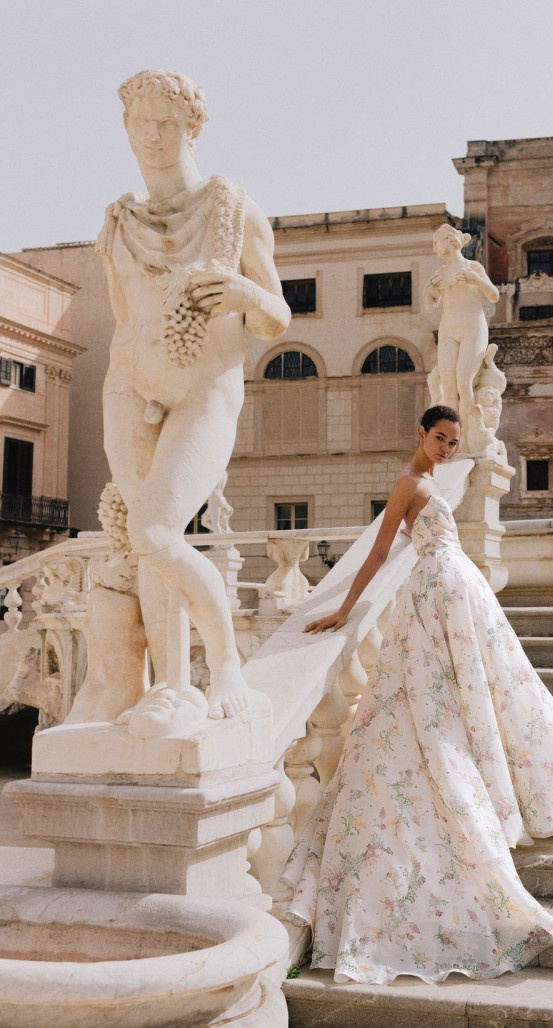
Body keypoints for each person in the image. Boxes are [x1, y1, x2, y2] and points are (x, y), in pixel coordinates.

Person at [282, 405, 553, 984]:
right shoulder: (408, 483)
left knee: (493, 694)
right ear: (420, 434)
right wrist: (345, 608)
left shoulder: (435, 480)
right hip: (436, 595)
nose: (446, 448)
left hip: (457, 592)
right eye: (440, 439)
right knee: (438, 706)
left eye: (453, 441)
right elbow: (381, 549)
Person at [95, 69, 290, 725]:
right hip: (130, 385)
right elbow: (125, 317)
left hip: (205, 388)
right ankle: (170, 687)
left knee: (154, 528)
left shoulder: (233, 208)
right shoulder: (117, 223)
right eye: (142, 122)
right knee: (151, 539)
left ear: (192, 128)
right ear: (125, 127)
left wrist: (241, 294)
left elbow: (277, 317)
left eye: (168, 123)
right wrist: (136, 384)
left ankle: (226, 664)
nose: (153, 135)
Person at [424, 225, 500, 428]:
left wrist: (474, 279)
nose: (434, 249)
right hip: (448, 329)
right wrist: (428, 290)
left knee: (464, 382)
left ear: (449, 240)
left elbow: (494, 295)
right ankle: (453, 440)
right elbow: (430, 307)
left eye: (435, 242)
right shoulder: (439, 273)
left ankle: (469, 435)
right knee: (448, 385)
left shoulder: (472, 267)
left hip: (472, 326)